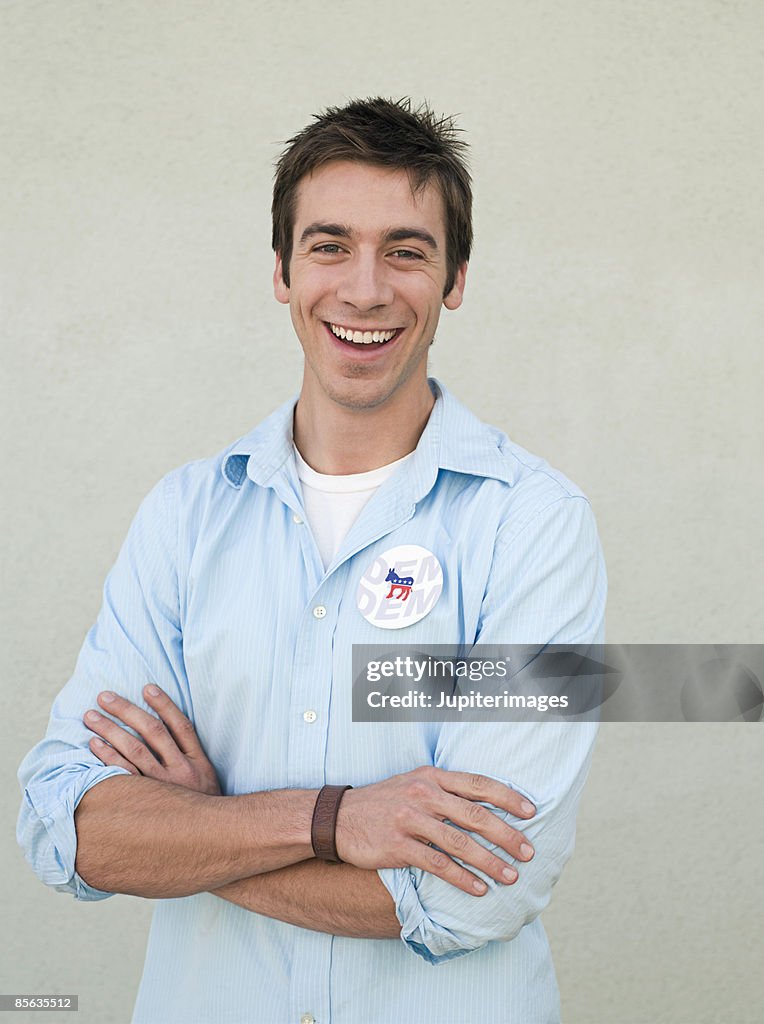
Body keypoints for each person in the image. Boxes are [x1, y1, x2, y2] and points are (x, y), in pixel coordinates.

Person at [17, 97, 607, 1024]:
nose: (365, 289)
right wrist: (333, 820)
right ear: (284, 271)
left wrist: (200, 835)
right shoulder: (184, 516)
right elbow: (71, 829)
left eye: (406, 251)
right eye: (330, 246)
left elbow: (481, 891)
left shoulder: (538, 527)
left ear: (455, 278)